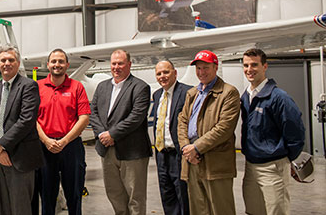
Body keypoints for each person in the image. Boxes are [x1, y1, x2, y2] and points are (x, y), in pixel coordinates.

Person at [240, 48, 305, 215]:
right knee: (254, 211)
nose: (249, 69)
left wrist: (284, 159)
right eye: (246, 65)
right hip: (251, 165)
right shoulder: (246, 96)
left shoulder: (279, 98)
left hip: (273, 167)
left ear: (265, 66)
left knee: (276, 211)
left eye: (254, 65)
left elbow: (296, 134)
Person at [0, 44, 43, 215]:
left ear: (17, 62)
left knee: (20, 208)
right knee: (4, 208)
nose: (6, 63)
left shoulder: (28, 86)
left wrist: (2, 145)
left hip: (20, 159)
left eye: (11, 60)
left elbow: (26, 121)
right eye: (3, 60)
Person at [177, 50, 240, 215]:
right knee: (198, 209)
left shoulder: (228, 93)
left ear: (215, 68)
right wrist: (186, 148)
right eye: (198, 68)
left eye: (206, 68)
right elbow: (182, 121)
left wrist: (196, 147)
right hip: (191, 161)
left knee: (220, 209)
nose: (201, 72)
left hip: (215, 162)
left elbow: (224, 128)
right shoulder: (192, 93)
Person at [90, 49, 152, 215]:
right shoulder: (102, 87)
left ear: (129, 65)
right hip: (107, 150)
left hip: (132, 152)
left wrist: (113, 135)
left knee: (135, 196)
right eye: (114, 63)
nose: (116, 67)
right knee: (114, 194)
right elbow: (93, 112)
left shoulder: (140, 87)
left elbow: (136, 117)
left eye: (120, 63)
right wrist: (102, 134)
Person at [36, 49, 91, 215]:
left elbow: (84, 118)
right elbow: (32, 119)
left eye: (61, 61)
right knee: (46, 197)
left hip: (71, 147)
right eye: (53, 61)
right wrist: (46, 140)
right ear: (48, 65)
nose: (57, 65)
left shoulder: (77, 87)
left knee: (74, 195)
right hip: (45, 148)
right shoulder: (37, 87)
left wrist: (64, 141)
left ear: (67, 65)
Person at [152, 60, 191, 215]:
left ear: (175, 73)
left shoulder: (188, 93)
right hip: (161, 153)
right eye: (159, 73)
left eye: (166, 72)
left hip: (178, 153)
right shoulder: (157, 95)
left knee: (183, 195)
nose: (162, 76)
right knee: (167, 195)